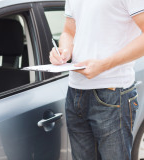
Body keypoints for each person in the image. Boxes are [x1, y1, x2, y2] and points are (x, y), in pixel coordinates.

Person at [49, 0, 144, 160]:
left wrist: (104, 65)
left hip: (113, 93)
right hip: (75, 92)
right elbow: (68, 31)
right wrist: (64, 51)